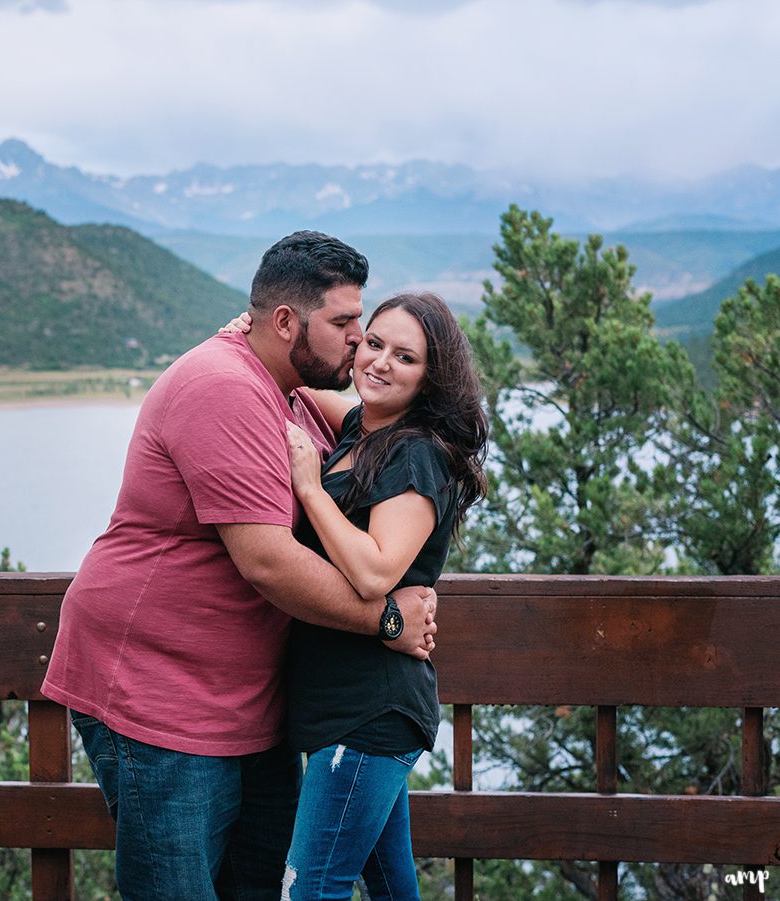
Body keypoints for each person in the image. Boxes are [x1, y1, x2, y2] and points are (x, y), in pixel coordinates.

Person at [40, 232, 440, 901]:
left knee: (260, 885)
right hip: (156, 692)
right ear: (286, 323)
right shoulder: (222, 388)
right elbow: (268, 562)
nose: (358, 341)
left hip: (247, 704)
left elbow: (392, 414)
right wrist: (387, 617)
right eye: (344, 324)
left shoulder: (291, 391)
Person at [279, 291, 489, 900]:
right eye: (373, 343)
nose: (379, 363)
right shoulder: (360, 428)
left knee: (309, 890)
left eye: (405, 356)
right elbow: (281, 383)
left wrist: (311, 490)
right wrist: (246, 337)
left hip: (368, 712)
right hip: (343, 709)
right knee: (393, 891)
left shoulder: (416, 453)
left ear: (431, 379)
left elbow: (375, 574)